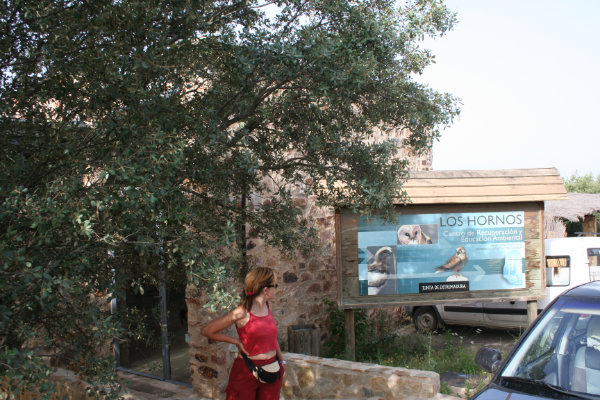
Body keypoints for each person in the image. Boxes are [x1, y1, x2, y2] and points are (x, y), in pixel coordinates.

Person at [201, 267, 284, 400]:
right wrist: (236, 342)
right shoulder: (241, 312)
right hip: (246, 370)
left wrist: (281, 362)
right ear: (265, 290)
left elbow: (272, 338)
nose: (276, 289)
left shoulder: (268, 307)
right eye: (275, 285)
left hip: (271, 370)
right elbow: (207, 331)